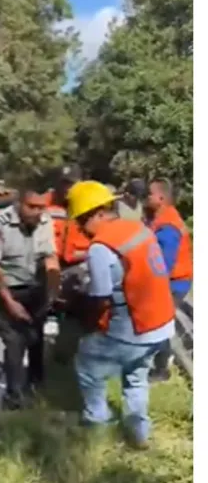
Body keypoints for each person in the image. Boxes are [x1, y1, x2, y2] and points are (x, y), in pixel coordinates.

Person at [66, 180, 175, 449]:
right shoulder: (138, 228)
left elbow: (100, 296)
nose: (79, 227)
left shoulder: (101, 247)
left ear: (100, 213)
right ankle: (139, 434)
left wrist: (87, 322)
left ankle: (96, 426)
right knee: (136, 377)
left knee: (87, 363)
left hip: (134, 327)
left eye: (82, 219)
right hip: (161, 325)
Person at [0, 182, 61, 409]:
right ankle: (13, 399)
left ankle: (37, 386)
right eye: (31, 206)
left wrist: (52, 296)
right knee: (15, 340)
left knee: (35, 336)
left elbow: (50, 259)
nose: (37, 212)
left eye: (41, 207)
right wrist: (10, 303)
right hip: (2, 285)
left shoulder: (45, 221)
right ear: (19, 203)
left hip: (32, 284)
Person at [145, 178, 193, 381]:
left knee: (162, 324)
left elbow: (165, 263)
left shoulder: (168, 226)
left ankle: (162, 369)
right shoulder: (162, 218)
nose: (146, 198)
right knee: (162, 323)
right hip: (175, 281)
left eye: (150, 194)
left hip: (174, 283)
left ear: (161, 198)